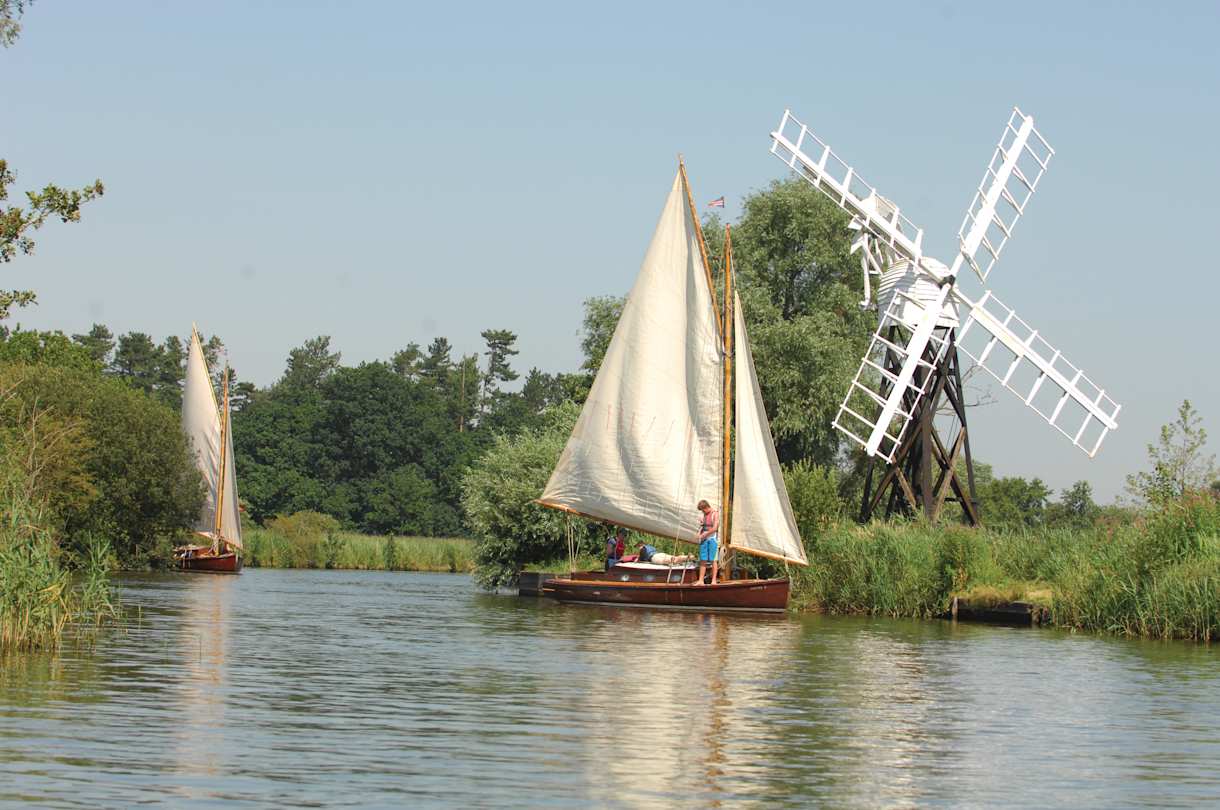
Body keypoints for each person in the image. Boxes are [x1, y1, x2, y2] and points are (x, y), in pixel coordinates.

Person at [694, 499, 719, 585]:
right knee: (703, 560)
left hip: (712, 539)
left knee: (713, 560)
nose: (702, 512)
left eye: (703, 510)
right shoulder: (704, 515)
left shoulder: (715, 514)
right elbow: (702, 526)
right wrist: (699, 534)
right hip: (704, 540)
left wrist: (705, 534)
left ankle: (714, 580)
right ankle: (701, 580)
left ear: (706, 507)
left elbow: (715, 528)